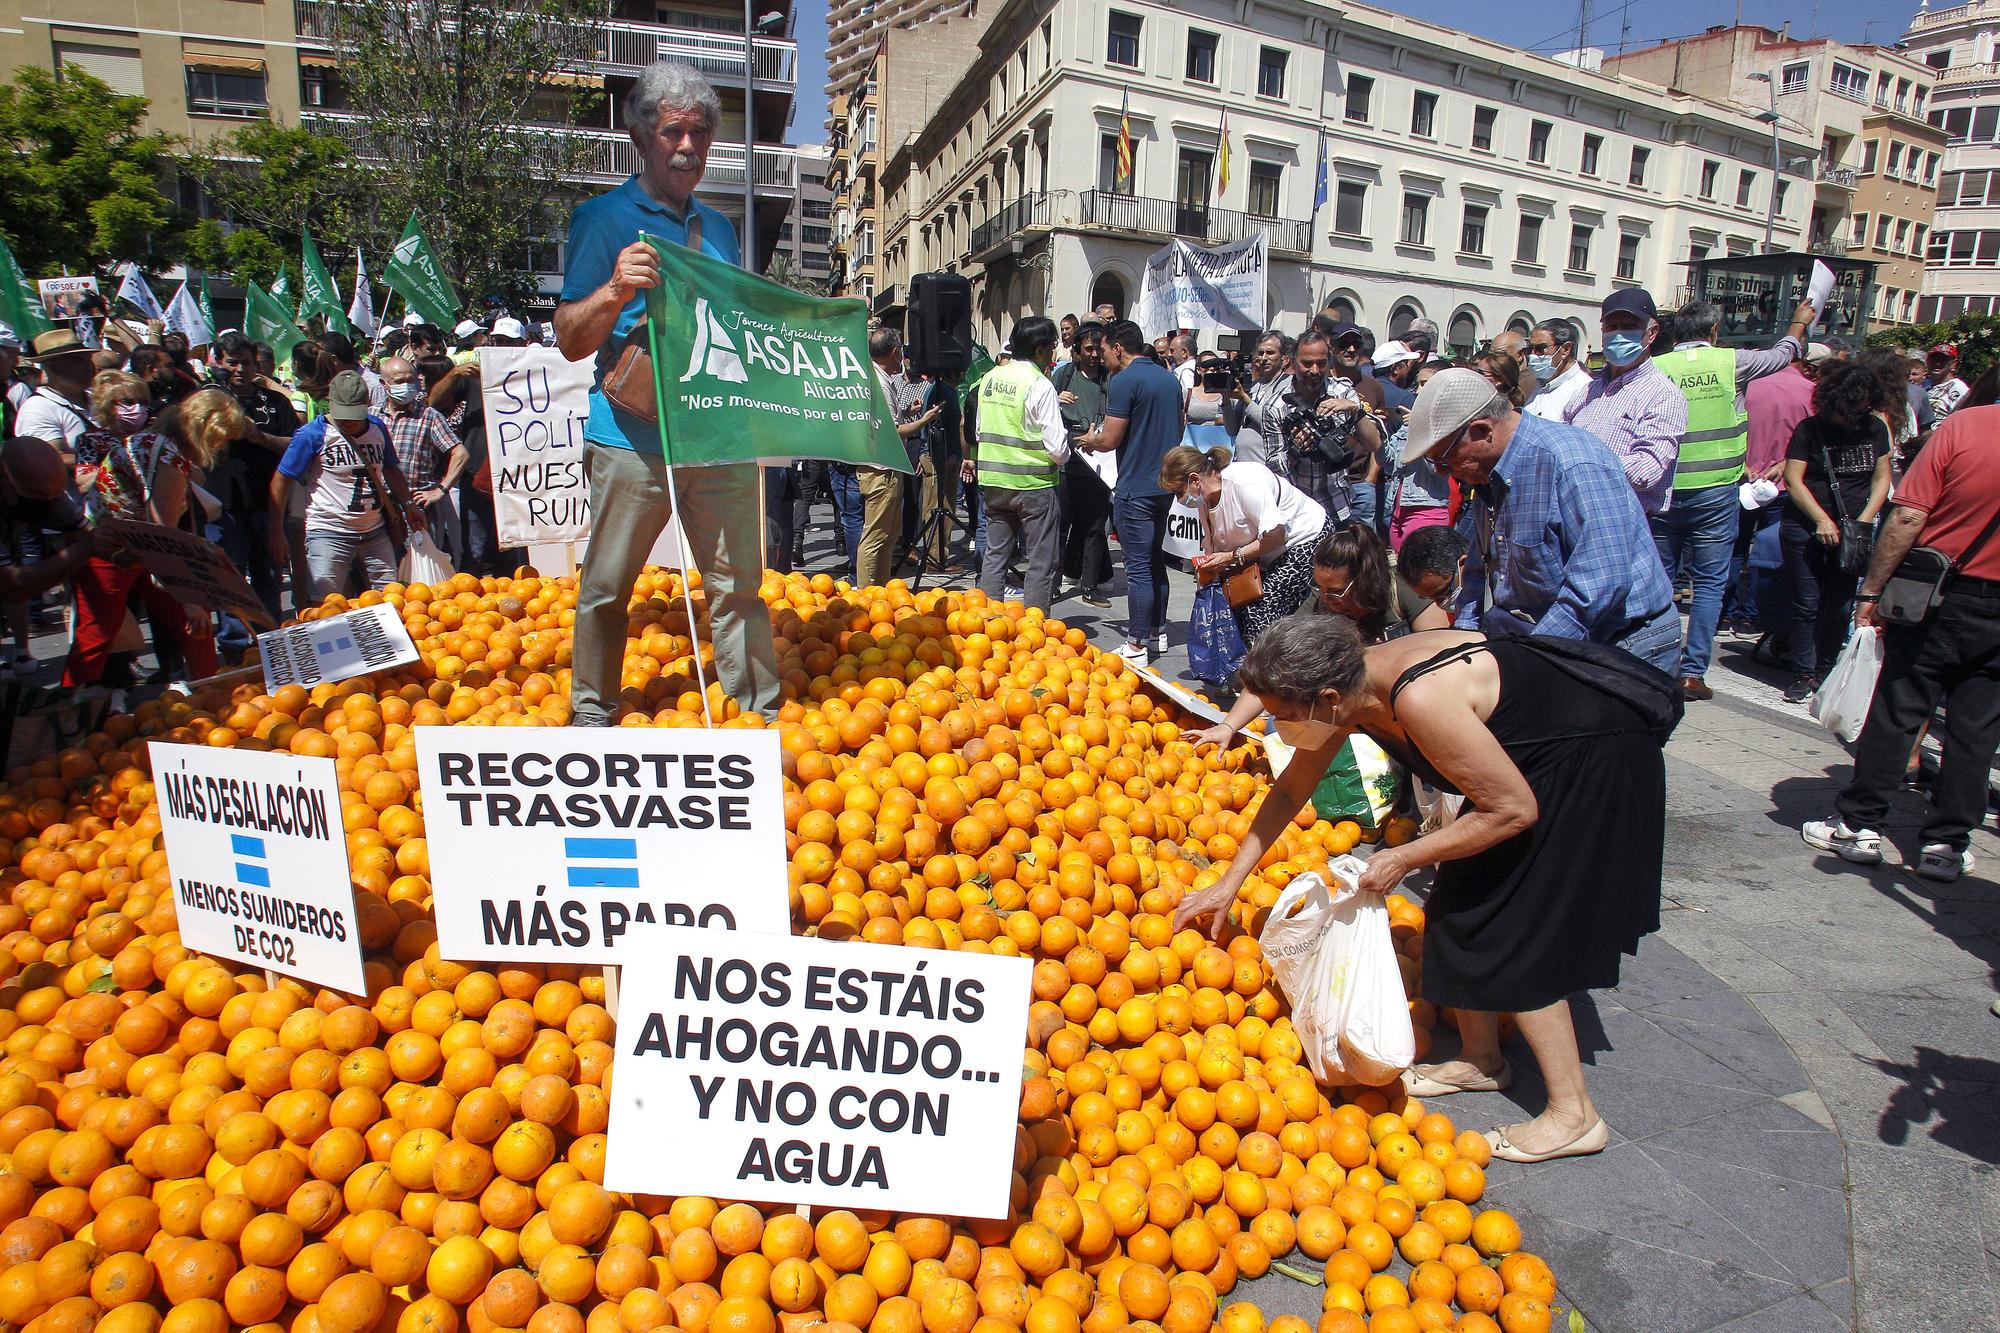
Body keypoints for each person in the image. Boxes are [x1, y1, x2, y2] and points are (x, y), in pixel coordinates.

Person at [1177, 612, 1667, 1163]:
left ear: (1328, 698)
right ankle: (1483, 1062)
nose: (1277, 728)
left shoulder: (1417, 698)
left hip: (1589, 757)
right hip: (1527, 761)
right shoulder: (1347, 690)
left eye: (1283, 716)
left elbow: (1513, 808)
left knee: (1518, 926)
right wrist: (1228, 881)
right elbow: (1292, 789)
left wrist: (1403, 856)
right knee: (1463, 899)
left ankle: (1575, 1116)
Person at [553, 59, 782, 722]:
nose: (688, 146)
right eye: (673, 131)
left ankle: (755, 712)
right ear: (640, 136)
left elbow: (737, 324)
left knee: (740, 587)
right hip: (629, 439)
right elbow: (570, 338)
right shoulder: (602, 220)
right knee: (604, 588)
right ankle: (592, 714)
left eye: (701, 133)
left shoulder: (723, 228)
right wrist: (616, 287)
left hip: (716, 437)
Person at [1804, 398, 2000, 881]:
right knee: (1976, 728)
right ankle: (1946, 844)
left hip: (1941, 597)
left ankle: (1859, 823)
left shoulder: (1965, 428)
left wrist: (1871, 590)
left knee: (1899, 707)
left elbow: (1909, 517)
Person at [1406, 369, 1680, 670]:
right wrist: (1465, 650)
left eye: (1444, 459)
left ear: (1483, 431)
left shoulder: (1572, 463)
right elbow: (1477, 572)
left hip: (1622, 643)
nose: (1443, 473)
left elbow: (1598, 588)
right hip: (1551, 637)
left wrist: (1531, 662)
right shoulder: (1489, 473)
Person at [1651, 297, 1815, 699]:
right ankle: (1692, 673)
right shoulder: (1731, 363)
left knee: (1660, 583)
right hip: (1716, 490)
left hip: (1665, 490)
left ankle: (1657, 663)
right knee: (1709, 584)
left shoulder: (1654, 368)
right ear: (1713, 332)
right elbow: (1784, 355)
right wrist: (1797, 322)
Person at [64, 370, 217, 687]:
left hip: (150, 545)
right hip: (111, 546)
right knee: (96, 633)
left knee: (193, 623)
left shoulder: (157, 441)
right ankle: (71, 708)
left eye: (144, 402)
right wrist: (119, 464)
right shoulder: (93, 440)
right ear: (110, 405)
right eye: (129, 402)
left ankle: (211, 689)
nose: (139, 408)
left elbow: (192, 481)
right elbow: (83, 481)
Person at [1777, 363, 1895, 703]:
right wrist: (1821, 520)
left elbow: (1880, 478)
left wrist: (1864, 520)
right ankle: (1803, 670)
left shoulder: (1874, 428)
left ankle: (1827, 667)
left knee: (1841, 604)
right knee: (1807, 602)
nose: (1849, 419)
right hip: (1805, 526)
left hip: (1853, 530)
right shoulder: (1810, 429)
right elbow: (1794, 480)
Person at [1077, 321, 1183, 664]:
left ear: (1119, 348)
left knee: (1138, 567)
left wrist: (1087, 440)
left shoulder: (1124, 381)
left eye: (1105, 350)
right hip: (1163, 484)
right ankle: (1157, 632)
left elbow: (1108, 439)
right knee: (1155, 560)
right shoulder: (1169, 378)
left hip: (1135, 486)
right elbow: (1179, 427)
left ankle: (1136, 643)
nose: (1103, 357)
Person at [272, 370, 423, 602]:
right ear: (330, 404)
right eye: (343, 415)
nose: (348, 422)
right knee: (325, 604)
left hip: (375, 530)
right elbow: (282, 479)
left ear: (367, 405)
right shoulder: (312, 435)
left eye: (354, 415)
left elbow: (392, 470)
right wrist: (276, 530)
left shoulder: (377, 429)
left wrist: (409, 504)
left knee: (392, 600)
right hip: (328, 531)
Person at [1162, 443, 1326, 642]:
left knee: (1264, 610)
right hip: (1263, 551)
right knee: (1238, 608)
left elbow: (1277, 535)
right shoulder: (1204, 501)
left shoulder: (1244, 483)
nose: (1179, 500)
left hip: (1303, 539)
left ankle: (1266, 665)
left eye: (1179, 492)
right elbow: (1212, 542)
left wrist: (1233, 556)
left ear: (1194, 480)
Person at [969, 316, 1068, 610]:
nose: (1054, 351)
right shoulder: (1040, 384)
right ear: (1039, 349)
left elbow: (977, 431)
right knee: (1040, 560)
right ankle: (1034, 631)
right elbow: (1057, 449)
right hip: (1033, 486)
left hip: (994, 483)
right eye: (1052, 345)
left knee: (995, 556)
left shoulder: (989, 378)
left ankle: (988, 625)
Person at [1561, 291, 1685, 515]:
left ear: (1651, 333)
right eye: (1611, 327)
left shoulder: (1663, 395)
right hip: (1575, 514)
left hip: (1623, 521)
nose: (1618, 334)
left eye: (1629, 326)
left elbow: (1645, 470)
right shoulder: (1589, 390)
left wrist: (1582, 465)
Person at [1728, 343, 1822, 637]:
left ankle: (1725, 613)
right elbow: (1813, 441)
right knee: (1768, 553)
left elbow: (1731, 427)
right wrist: (1784, 463)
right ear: (1805, 364)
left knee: (1734, 548)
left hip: (1743, 478)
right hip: (1783, 483)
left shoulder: (1749, 385)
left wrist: (1743, 463)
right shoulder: (1810, 392)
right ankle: (1750, 617)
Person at [1260, 330, 1379, 527]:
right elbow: (1273, 466)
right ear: (1291, 362)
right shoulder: (1275, 406)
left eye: (1321, 363)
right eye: (1307, 363)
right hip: (1297, 511)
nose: (1314, 371)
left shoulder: (1343, 391)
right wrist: (1295, 451)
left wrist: (1354, 411)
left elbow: (1374, 443)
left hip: (1338, 506)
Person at [860, 328, 934, 586]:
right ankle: (869, 594)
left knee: (888, 535)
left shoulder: (877, 378)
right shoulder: (879, 381)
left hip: (885, 465)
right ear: (894, 352)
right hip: (881, 469)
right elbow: (893, 431)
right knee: (875, 536)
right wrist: (923, 420)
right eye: (901, 351)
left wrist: (903, 410)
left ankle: (879, 590)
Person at [380, 356, 468, 559]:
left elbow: (460, 454)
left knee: (422, 574)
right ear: (384, 384)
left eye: (410, 380)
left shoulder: (429, 416)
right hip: (382, 510)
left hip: (419, 509)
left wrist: (440, 490)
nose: (407, 386)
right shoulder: (374, 417)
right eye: (399, 382)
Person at [1054, 325, 1112, 605]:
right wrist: (1055, 399)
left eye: (1098, 349)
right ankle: (1052, 583)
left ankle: (1090, 586)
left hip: (1098, 467)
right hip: (1066, 466)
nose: (1094, 355)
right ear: (1076, 351)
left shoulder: (1110, 380)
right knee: (1060, 526)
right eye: (1088, 349)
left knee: (1094, 528)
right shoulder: (1062, 376)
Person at [16, 331, 100, 460]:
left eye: (88, 359)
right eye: (78, 360)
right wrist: (105, 460)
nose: (88, 367)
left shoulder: (95, 398)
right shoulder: (38, 408)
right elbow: (49, 458)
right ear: (51, 366)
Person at [1232, 330, 1292, 465]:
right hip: (1241, 463)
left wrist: (1245, 399)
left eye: (1270, 353)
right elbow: (1232, 429)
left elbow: (1273, 425)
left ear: (1283, 357)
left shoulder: (1289, 386)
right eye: (1260, 353)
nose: (1264, 358)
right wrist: (1225, 399)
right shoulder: (1252, 386)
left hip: (1266, 467)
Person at [1523, 320, 1590, 423]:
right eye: (1530, 349)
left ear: (1565, 349)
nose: (1532, 355)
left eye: (1540, 348)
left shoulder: (1584, 390)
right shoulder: (1541, 384)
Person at [1924, 343, 1969, 421]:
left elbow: (1961, 419)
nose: (1937, 363)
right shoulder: (1923, 387)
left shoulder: (1957, 387)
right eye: (1933, 359)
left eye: (1942, 360)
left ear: (1953, 364)